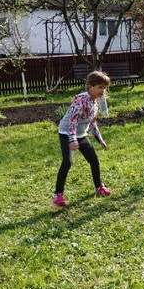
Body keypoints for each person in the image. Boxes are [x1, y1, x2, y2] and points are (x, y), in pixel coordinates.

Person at [53, 70, 112, 207]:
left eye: (104, 88)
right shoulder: (81, 99)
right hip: (66, 133)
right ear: (91, 86)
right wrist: (72, 140)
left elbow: (92, 122)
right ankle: (58, 195)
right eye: (100, 87)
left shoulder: (95, 102)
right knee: (67, 162)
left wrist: (100, 139)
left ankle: (99, 187)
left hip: (81, 134)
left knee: (94, 160)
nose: (103, 91)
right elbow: (73, 120)